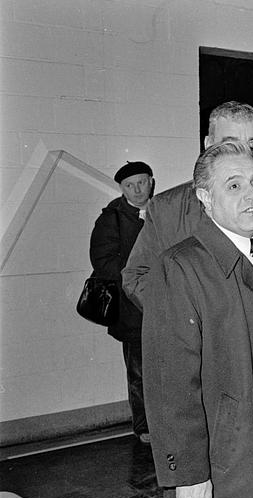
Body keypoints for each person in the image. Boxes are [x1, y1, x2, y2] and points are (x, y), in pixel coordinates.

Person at [142, 141, 253, 498]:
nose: (252, 195)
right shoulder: (181, 266)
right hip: (223, 460)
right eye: (234, 186)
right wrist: (189, 473)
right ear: (204, 198)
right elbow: (170, 380)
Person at [122, 101, 253, 309]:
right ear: (208, 144)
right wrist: (194, 320)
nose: (245, 153)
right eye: (230, 143)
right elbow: (138, 278)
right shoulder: (168, 208)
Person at [89, 160, 154, 444]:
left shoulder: (164, 210)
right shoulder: (111, 218)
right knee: (139, 371)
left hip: (165, 304)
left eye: (142, 182)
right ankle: (144, 427)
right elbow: (102, 262)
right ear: (121, 189)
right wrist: (138, 276)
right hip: (131, 309)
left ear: (151, 181)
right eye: (130, 185)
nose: (137, 189)